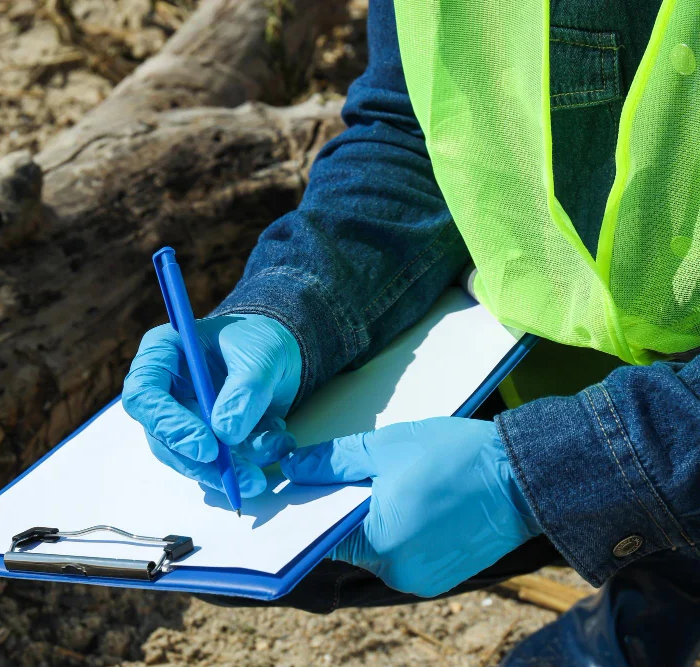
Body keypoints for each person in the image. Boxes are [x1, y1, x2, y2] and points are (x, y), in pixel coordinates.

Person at [122, 0, 700, 664]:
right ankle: (665, 583)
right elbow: (411, 131)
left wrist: (551, 472)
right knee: (274, 553)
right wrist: (286, 313)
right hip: (566, 358)